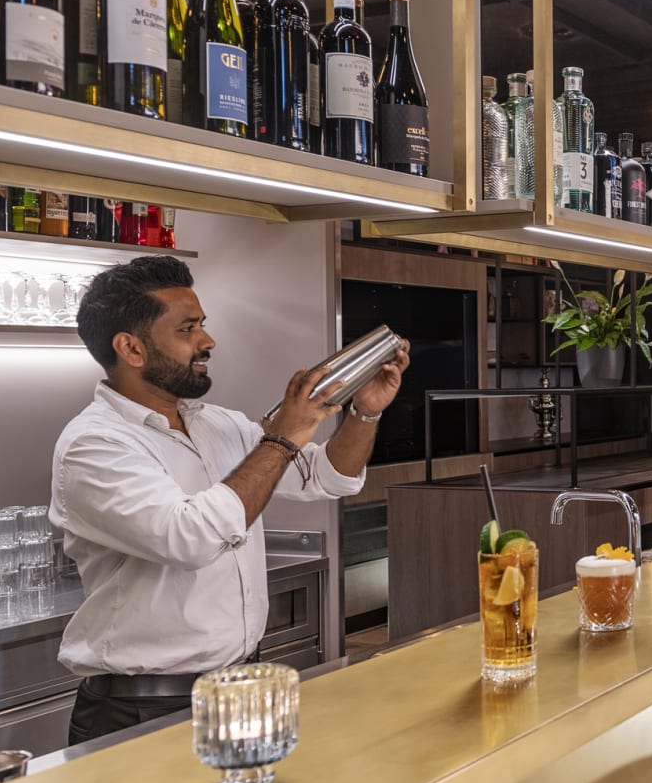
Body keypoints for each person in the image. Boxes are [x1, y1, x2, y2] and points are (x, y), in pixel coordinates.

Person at [51, 256, 409, 744]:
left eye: (202, 324)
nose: (208, 341)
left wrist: (364, 414)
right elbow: (189, 538)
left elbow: (329, 477)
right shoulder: (95, 444)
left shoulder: (216, 424)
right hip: (143, 709)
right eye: (188, 329)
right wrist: (283, 436)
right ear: (130, 348)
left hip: (238, 690)